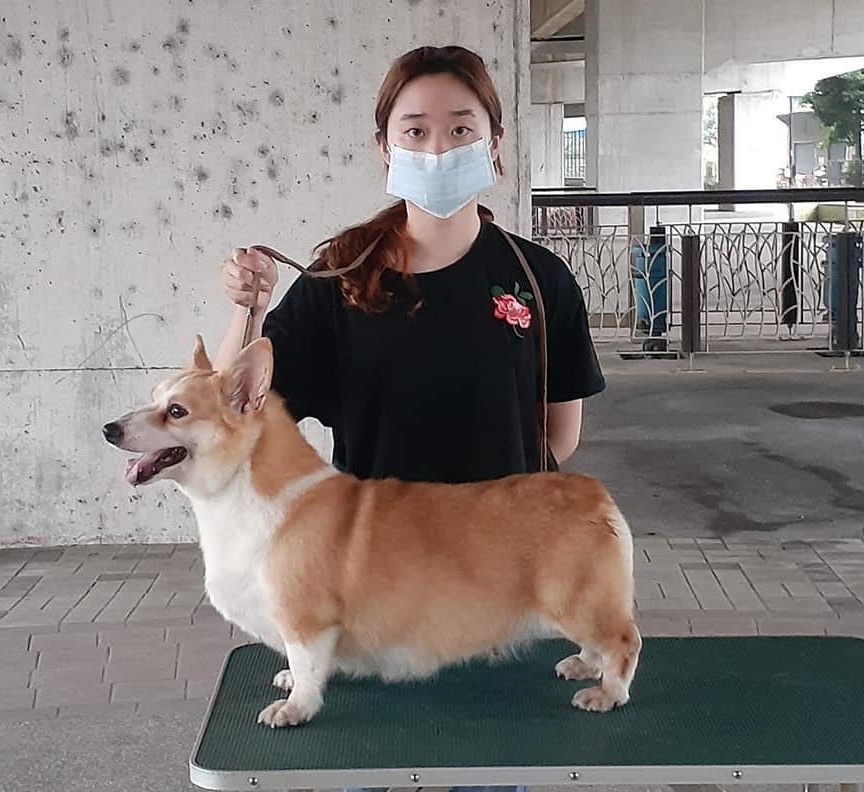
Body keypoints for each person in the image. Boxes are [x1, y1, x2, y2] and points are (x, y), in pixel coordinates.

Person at [214, 45, 605, 792]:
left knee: (492, 776)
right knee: (368, 768)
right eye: (415, 131)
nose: (438, 149)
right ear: (384, 146)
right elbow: (232, 412)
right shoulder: (339, 281)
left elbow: (560, 437)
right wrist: (247, 312)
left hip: (497, 595)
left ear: (494, 142)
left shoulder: (539, 279)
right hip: (372, 597)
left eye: (461, 130)